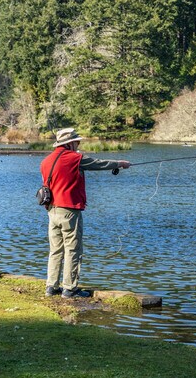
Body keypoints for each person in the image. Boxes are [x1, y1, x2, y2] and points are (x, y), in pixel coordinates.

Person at [40, 128, 131, 299]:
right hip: (69, 210)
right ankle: (70, 289)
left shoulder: (46, 161)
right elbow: (98, 163)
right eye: (77, 142)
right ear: (69, 143)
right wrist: (119, 163)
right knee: (73, 249)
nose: (79, 144)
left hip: (52, 210)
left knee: (56, 250)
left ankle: (51, 287)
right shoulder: (74, 158)